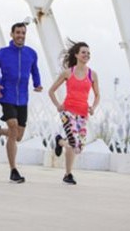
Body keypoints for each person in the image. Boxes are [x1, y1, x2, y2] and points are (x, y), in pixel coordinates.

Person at [0, 22, 42, 183]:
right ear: (11, 34)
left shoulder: (31, 53)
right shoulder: (3, 53)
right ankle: (13, 170)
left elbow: (35, 70)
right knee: (12, 126)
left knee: (18, 136)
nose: (20, 35)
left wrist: (37, 83)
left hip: (23, 98)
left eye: (23, 33)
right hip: (7, 95)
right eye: (17, 32)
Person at [48, 40, 99, 185]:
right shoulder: (67, 73)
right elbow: (51, 91)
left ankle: (59, 141)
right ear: (76, 55)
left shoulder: (92, 75)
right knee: (72, 141)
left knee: (78, 148)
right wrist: (58, 105)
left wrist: (93, 107)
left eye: (88, 53)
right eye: (83, 52)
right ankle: (68, 174)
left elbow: (97, 95)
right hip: (68, 112)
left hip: (83, 113)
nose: (86, 55)